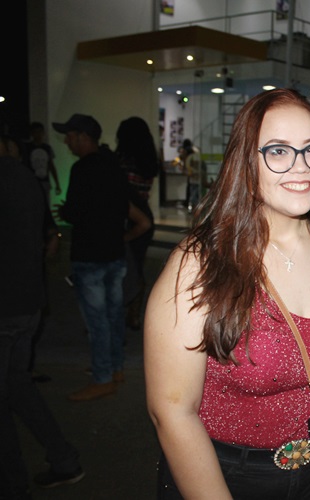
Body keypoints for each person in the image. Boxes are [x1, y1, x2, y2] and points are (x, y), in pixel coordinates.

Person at [144, 88, 310, 498]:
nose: (300, 166)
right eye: (278, 151)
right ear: (246, 160)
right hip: (226, 473)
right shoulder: (199, 263)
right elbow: (172, 412)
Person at [0, 134, 85, 496]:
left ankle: (13, 485)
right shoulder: (24, 177)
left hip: (6, 306)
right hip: (29, 301)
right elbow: (49, 234)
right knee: (18, 385)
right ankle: (64, 459)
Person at [52, 113, 151, 402]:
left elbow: (74, 212)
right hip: (114, 253)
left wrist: (65, 212)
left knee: (97, 322)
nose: (67, 141)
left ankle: (102, 377)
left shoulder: (82, 169)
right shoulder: (113, 167)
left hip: (90, 255)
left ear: (83, 137)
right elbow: (128, 208)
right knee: (113, 316)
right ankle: (114, 368)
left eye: (70, 136)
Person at [115, 116, 160, 330]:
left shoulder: (122, 162)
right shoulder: (147, 160)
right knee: (137, 266)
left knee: (121, 266)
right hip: (144, 213)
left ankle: (120, 311)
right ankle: (134, 314)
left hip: (127, 215)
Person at [26, 122, 62, 207]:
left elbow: (51, 166)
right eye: (36, 132)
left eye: (40, 132)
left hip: (44, 182)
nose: (38, 135)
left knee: (45, 205)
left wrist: (57, 184)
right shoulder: (27, 148)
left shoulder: (47, 148)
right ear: (32, 133)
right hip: (32, 183)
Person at [178, 138, 202, 212]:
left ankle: (191, 206)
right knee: (194, 191)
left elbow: (178, 160)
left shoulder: (185, 152)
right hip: (196, 173)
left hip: (191, 173)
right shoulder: (195, 150)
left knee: (192, 190)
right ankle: (193, 206)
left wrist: (180, 165)